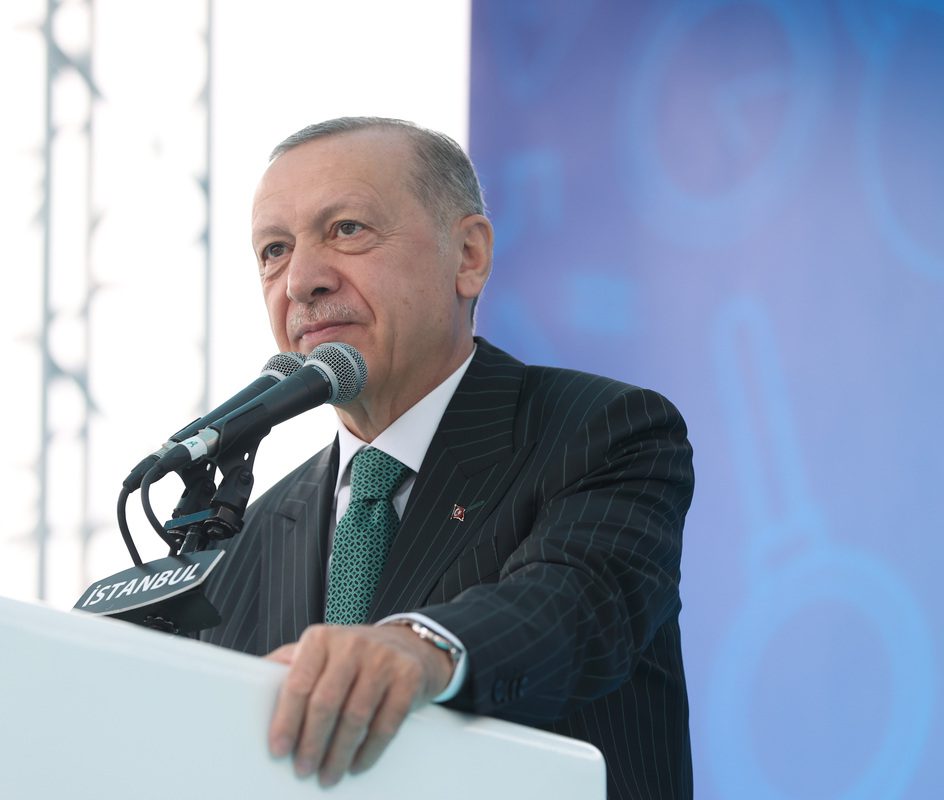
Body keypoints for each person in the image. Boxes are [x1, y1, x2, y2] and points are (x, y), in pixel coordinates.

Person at [199, 117, 694, 799]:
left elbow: (575, 602)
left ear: (468, 255)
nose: (301, 281)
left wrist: (417, 647)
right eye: (274, 250)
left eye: (346, 229)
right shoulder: (251, 534)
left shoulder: (603, 431)